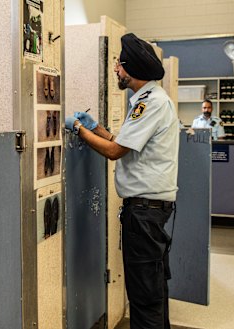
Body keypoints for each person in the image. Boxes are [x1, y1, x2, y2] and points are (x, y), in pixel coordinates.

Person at [65, 33, 179, 329]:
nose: (116, 68)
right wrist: (98, 129)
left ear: (132, 69)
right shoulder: (147, 100)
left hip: (144, 212)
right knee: (152, 290)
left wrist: (79, 129)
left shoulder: (150, 103)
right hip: (148, 211)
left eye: (119, 63)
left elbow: (115, 152)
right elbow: (123, 142)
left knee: (144, 295)